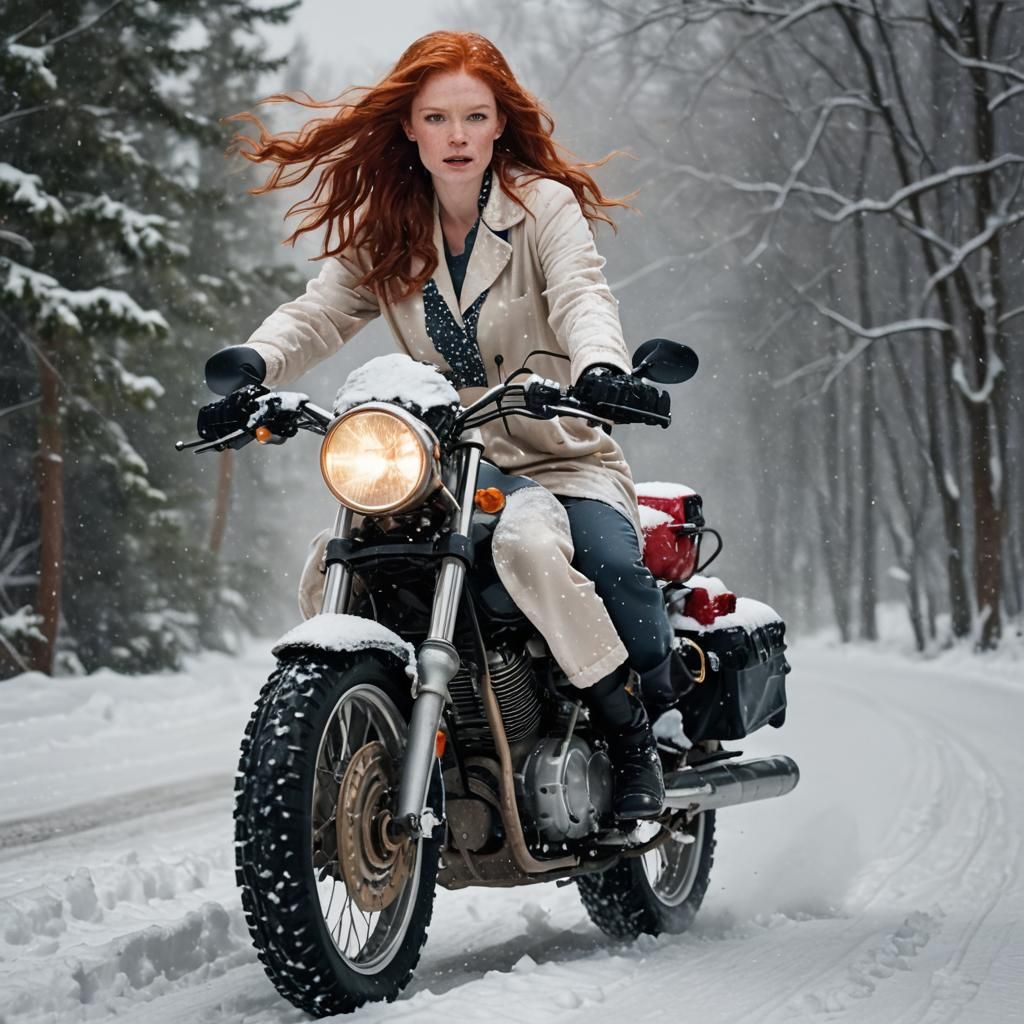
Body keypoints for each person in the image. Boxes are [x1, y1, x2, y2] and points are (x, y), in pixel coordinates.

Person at [205, 31, 679, 819]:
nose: (456, 136)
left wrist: (599, 370)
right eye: (436, 118)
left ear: (500, 126)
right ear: (410, 128)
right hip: (443, 464)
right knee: (338, 560)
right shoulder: (389, 224)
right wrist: (255, 366)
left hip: (558, 452)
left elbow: (582, 294)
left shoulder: (541, 208)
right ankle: (364, 725)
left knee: (585, 559)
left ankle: (638, 730)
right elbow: (320, 313)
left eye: (473, 116)